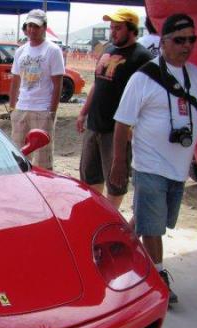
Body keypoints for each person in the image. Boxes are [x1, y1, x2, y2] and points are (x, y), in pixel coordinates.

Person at [110, 13, 197, 305]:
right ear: (163, 41)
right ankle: (158, 276)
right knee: (153, 227)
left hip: (178, 169)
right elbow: (122, 123)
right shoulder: (143, 77)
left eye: (192, 39)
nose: (186, 45)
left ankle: (117, 248)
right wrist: (118, 164)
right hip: (149, 164)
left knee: (152, 219)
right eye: (179, 40)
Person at [76, 8, 153, 209]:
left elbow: (148, 96)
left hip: (117, 129)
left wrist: (134, 127)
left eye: (118, 28)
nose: (113, 32)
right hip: (94, 124)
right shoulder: (109, 50)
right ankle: (94, 215)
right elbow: (97, 84)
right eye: (111, 28)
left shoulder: (142, 57)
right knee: (90, 175)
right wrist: (83, 112)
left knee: (115, 181)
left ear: (132, 29)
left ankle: (110, 218)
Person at [9, 9, 64, 170]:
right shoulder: (21, 51)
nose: (32, 30)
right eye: (29, 26)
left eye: (36, 26)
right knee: (17, 156)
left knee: (42, 160)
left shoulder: (53, 50)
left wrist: (51, 112)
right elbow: (15, 79)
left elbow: (57, 83)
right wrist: (13, 108)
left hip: (42, 109)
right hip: (21, 107)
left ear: (44, 28)